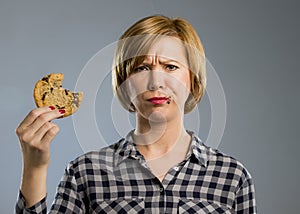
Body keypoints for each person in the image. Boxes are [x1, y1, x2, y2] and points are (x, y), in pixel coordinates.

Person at [15, 15, 256, 213]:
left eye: (170, 67)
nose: (155, 81)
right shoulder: (85, 172)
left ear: (192, 80)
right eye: (142, 68)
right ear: (124, 82)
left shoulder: (232, 177)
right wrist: (34, 169)